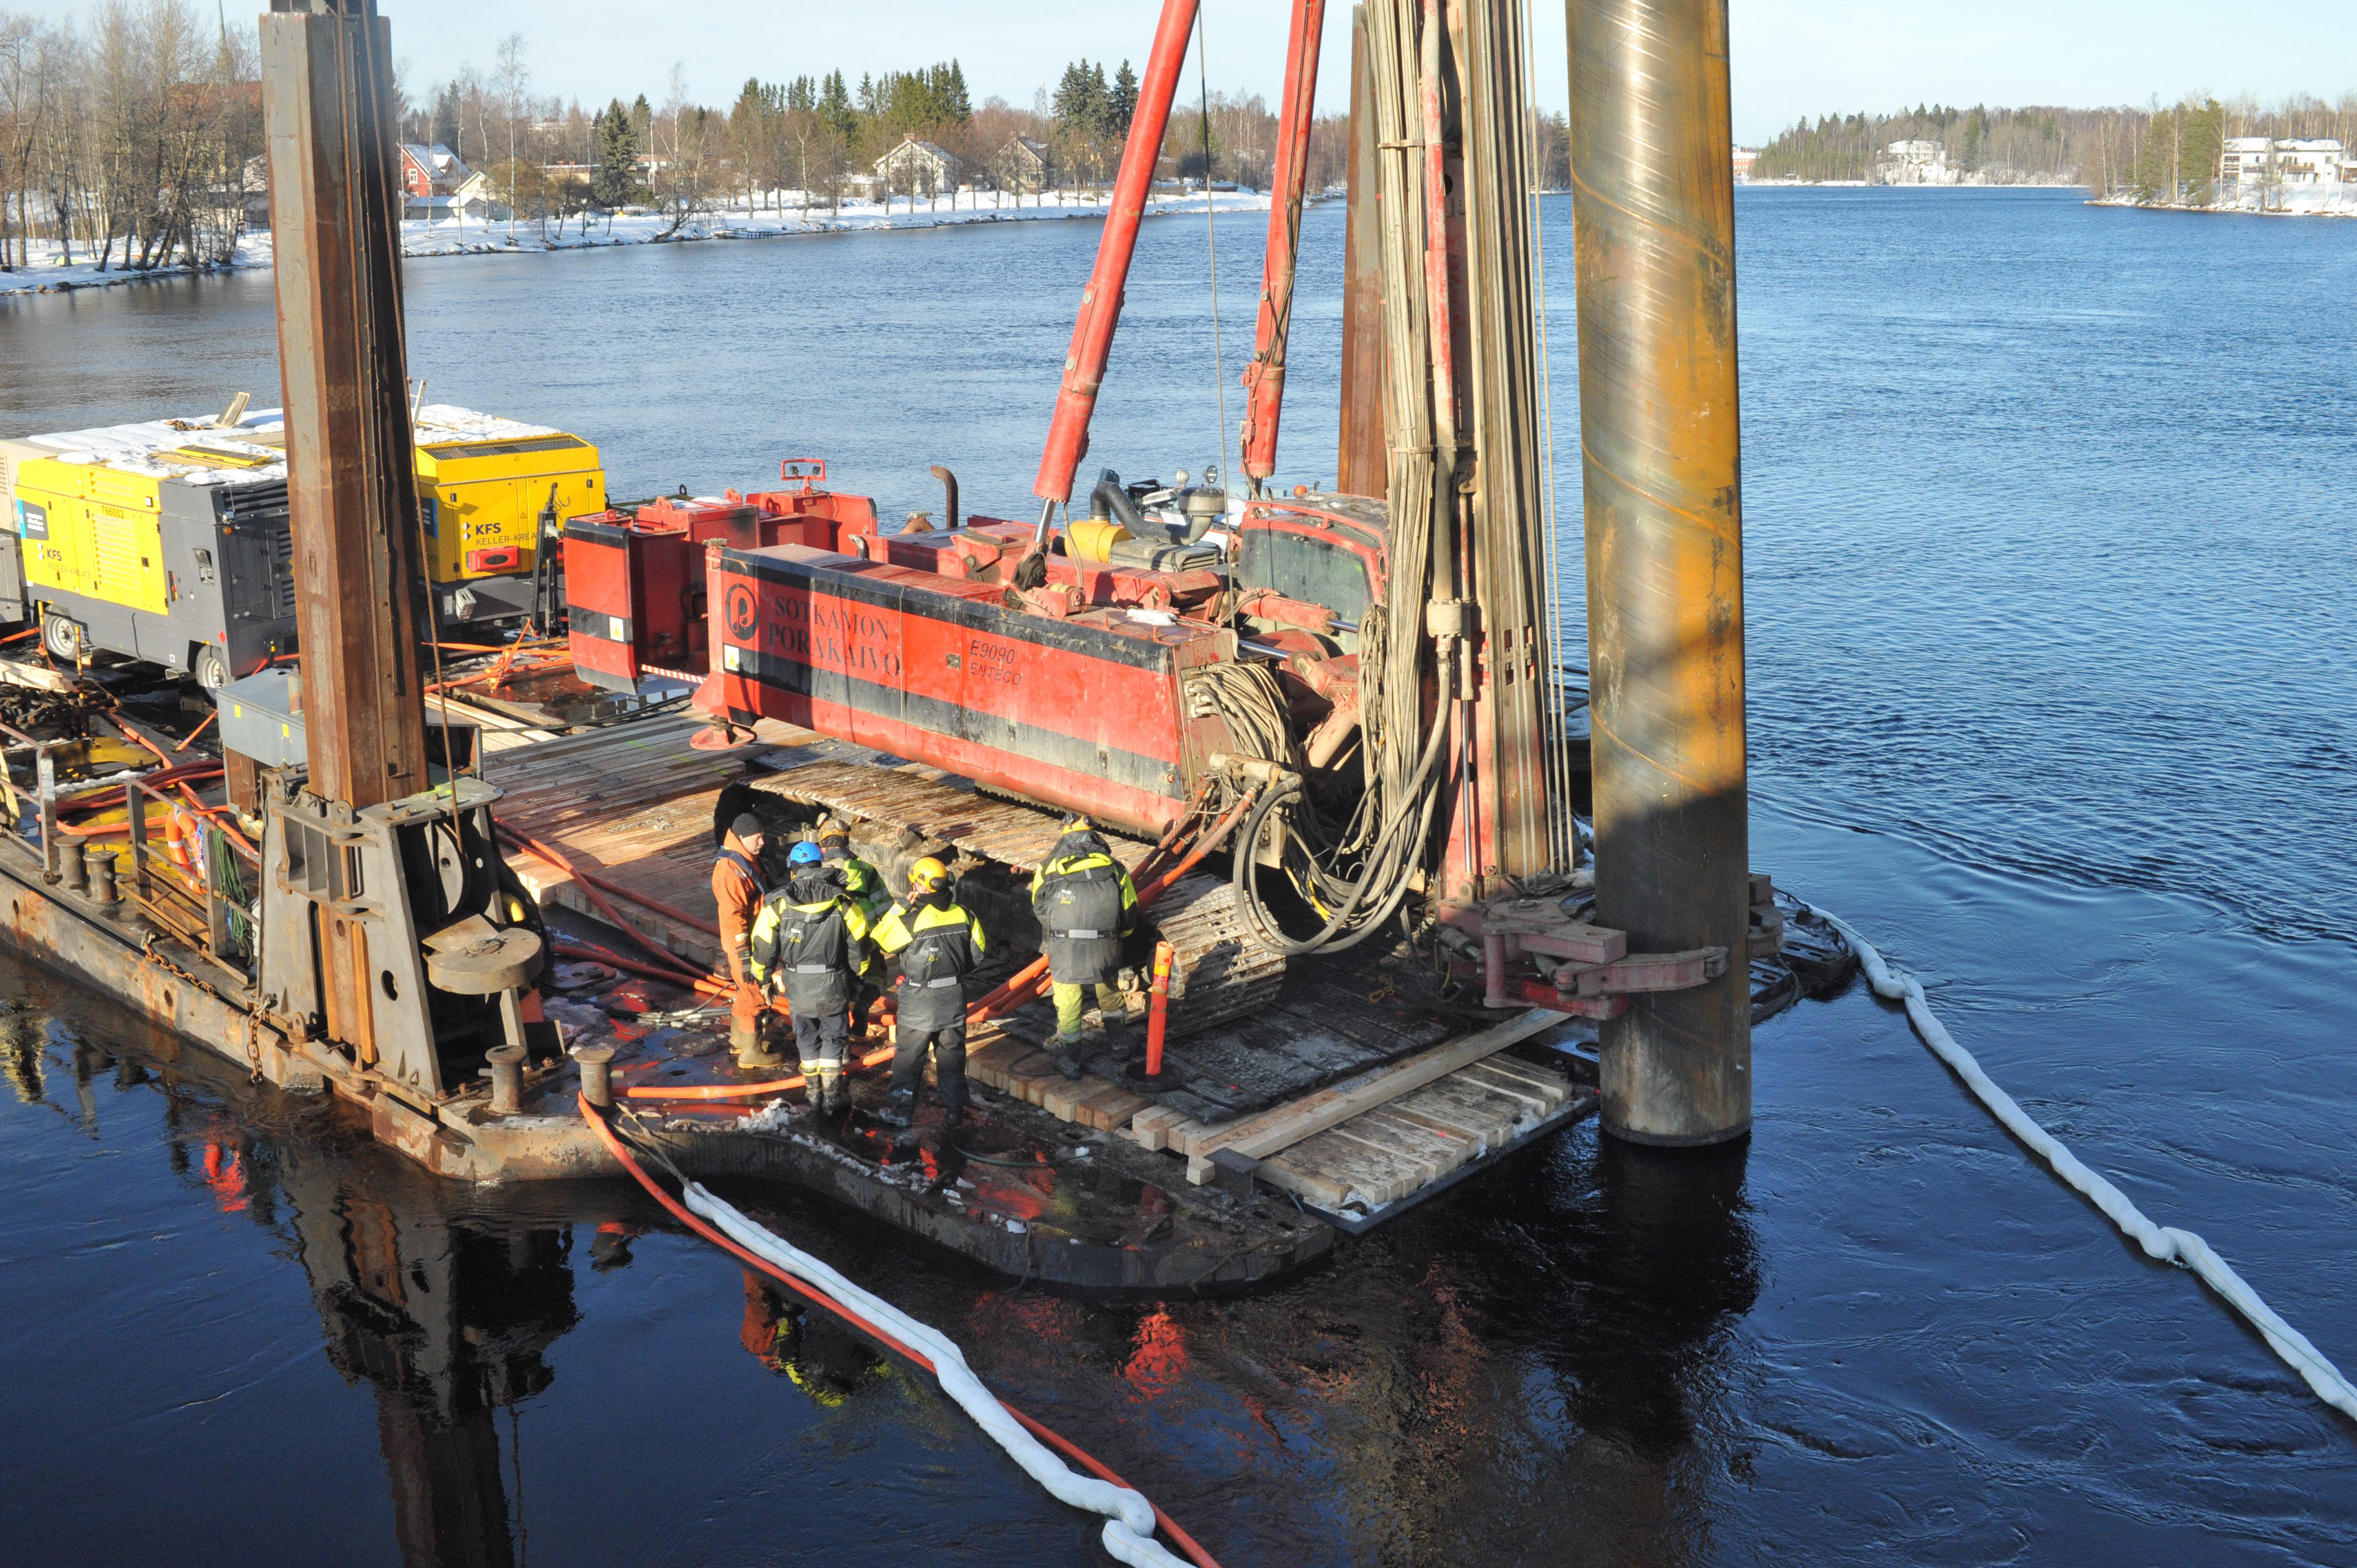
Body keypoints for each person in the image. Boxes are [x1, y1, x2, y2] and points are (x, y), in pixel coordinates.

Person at [748, 840, 875, 1113]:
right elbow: (860, 945)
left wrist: (764, 979)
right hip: (834, 985)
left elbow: (762, 946)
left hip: (798, 987)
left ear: (793, 870)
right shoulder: (844, 903)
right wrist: (857, 977)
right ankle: (831, 1095)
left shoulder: (778, 905)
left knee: (806, 1037)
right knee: (834, 1037)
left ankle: (813, 1093)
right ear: (820, 866)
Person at [868, 857, 986, 1128]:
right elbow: (978, 955)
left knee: (909, 1060)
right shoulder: (965, 915)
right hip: (953, 999)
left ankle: (902, 1112)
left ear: (921, 887)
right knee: (952, 1058)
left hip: (919, 1001)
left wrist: (899, 908)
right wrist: (954, 976)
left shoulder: (909, 920)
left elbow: (881, 938)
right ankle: (955, 1111)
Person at [1029, 814, 1139, 1080]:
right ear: (1094, 837)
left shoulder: (1047, 868)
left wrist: (1059, 933)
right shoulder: (1116, 868)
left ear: (1065, 835)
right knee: (1110, 997)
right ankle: (1120, 1047)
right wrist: (1117, 936)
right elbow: (1130, 911)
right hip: (1105, 947)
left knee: (1068, 1005)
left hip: (1066, 949)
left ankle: (1072, 1062)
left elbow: (1039, 908)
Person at [712, 812, 778, 1069]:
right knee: (753, 994)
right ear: (742, 838)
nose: (762, 843)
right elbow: (732, 915)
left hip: (750, 937)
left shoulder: (743, 861)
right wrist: (744, 954)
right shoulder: (731, 871)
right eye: (758, 838)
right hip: (746, 943)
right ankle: (751, 1054)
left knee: (744, 991)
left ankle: (739, 1039)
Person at [816, 822, 889, 1037]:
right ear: (847, 842)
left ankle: (835, 1033)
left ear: (823, 847)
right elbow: (885, 908)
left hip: (828, 940)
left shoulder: (816, 872)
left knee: (835, 982)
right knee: (876, 971)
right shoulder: (866, 871)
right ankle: (863, 1005)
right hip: (863, 938)